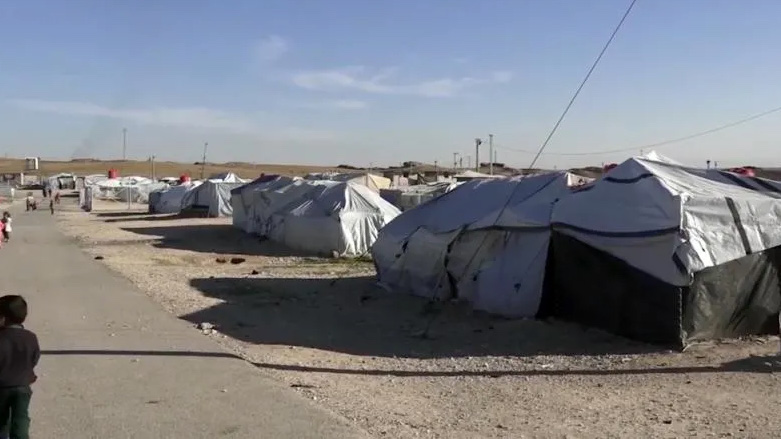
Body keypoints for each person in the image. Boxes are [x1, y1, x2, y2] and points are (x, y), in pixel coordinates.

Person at [0, 295, 40, 439]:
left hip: (2, 387)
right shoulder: (31, 337)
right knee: (21, 417)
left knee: (1, 420)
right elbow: (34, 358)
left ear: (3, 318)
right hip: (23, 386)